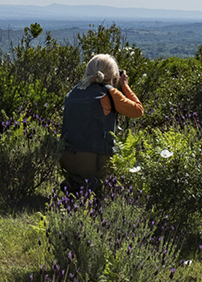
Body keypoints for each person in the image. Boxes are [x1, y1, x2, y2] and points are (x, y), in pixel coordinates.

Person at [60, 54, 143, 191]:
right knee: (121, 173)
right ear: (113, 75)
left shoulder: (73, 93)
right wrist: (124, 85)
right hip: (96, 162)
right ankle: (94, 184)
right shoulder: (109, 93)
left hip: (67, 160)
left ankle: (76, 182)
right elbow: (138, 111)